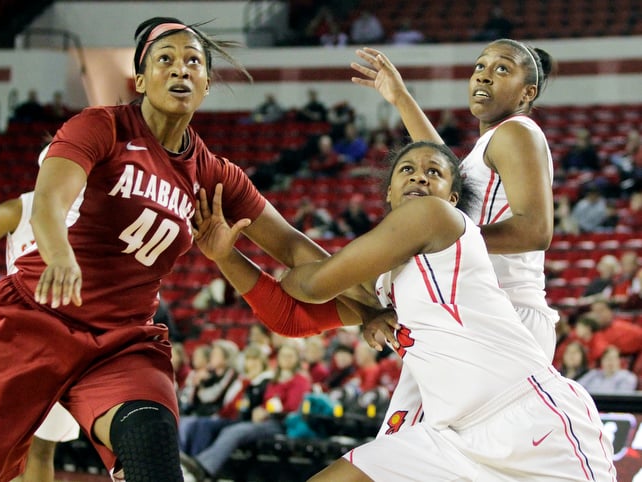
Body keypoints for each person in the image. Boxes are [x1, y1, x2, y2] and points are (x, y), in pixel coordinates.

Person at [0, 17, 375, 482]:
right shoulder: (101, 126)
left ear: (207, 84)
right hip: (36, 317)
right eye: (166, 60)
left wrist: (372, 300)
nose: (181, 69)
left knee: (153, 453)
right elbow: (47, 201)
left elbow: (293, 247)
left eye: (193, 61)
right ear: (140, 79)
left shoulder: (215, 174)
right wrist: (60, 255)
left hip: (121, 342)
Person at [192, 141, 616, 480]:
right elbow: (289, 316)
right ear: (389, 192)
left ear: (452, 197)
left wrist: (310, 283)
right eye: (406, 170)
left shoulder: (438, 220)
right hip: (449, 440)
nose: (419, 176)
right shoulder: (384, 281)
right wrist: (225, 257)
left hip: (528, 419)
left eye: (435, 171)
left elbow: (314, 284)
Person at [350, 40, 559, 361]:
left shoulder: (516, 132)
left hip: (505, 312)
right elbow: (443, 164)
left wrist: (441, 240)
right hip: (476, 311)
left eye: (502, 69)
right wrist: (401, 99)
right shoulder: (488, 146)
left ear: (527, 93)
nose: (484, 76)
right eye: (480, 66)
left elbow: (535, 230)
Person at [0, 144, 82, 482]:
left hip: (67, 339)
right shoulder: (23, 205)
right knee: (21, 445)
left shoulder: (102, 209)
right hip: (21, 336)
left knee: (40, 449)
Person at [180, 341, 311, 480]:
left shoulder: (300, 380)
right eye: (283, 355)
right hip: (265, 420)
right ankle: (194, 463)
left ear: (297, 358)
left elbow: (293, 407)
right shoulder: (275, 379)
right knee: (214, 427)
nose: (286, 359)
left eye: (290, 356)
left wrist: (265, 412)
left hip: (283, 423)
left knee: (237, 431)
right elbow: (266, 402)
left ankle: (204, 467)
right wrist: (261, 410)